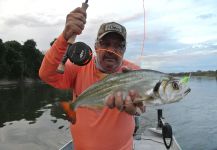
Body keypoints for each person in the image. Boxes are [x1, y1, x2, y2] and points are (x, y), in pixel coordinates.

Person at [39, 6, 145, 150]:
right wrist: (65, 37)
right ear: (96, 46)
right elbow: (46, 74)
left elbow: (141, 107)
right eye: (105, 44)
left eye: (118, 46)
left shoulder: (134, 72)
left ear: (124, 50)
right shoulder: (78, 66)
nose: (111, 51)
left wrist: (137, 109)